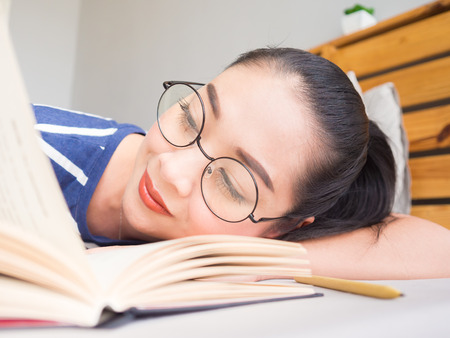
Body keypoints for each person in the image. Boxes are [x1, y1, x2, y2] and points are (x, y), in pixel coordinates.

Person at [34, 47, 450, 279]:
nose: (172, 171)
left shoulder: (266, 230)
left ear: (285, 226)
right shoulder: (41, 146)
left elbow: (438, 249)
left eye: (231, 183)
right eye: (190, 117)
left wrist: (243, 256)